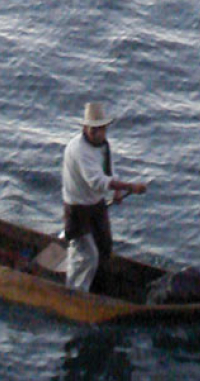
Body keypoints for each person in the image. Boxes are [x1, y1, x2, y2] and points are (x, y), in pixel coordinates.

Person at [62, 102, 148, 293]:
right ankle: (74, 293)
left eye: (101, 130)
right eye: (93, 130)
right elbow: (97, 182)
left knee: (104, 247)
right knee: (87, 255)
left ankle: (97, 288)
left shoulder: (103, 145)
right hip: (77, 209)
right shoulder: (79, 150)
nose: (98, 134)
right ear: (85, 128)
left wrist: (117, 191)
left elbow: (108, 171)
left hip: (96, 205)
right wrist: (129, 187)